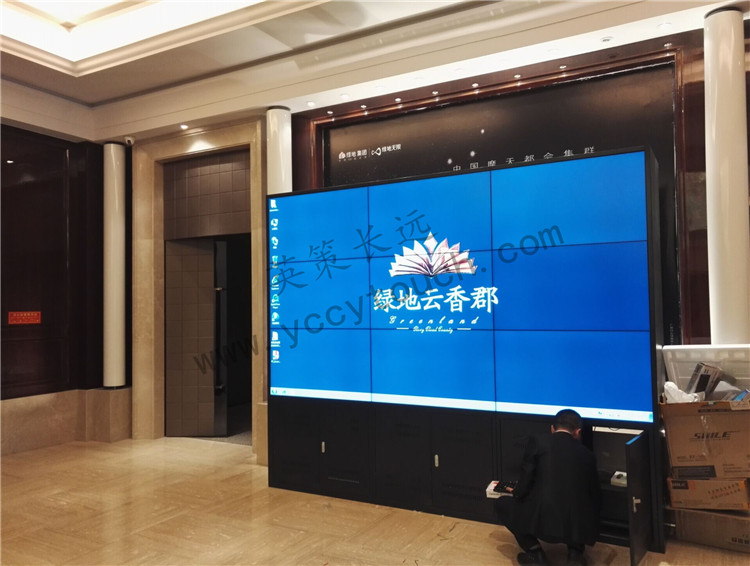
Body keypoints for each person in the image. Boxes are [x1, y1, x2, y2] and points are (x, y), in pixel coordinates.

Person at [496, 409, 601, 566]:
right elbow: (595, 495)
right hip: (575, 527)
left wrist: (516, 491)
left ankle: (535, 553)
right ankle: (575, 555)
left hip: (541, 525)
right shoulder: (588, 455)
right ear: (578, 432)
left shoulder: (538, 442)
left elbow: (525, 481)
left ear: (552, 428)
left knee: (502, 504)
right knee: (580, 506)